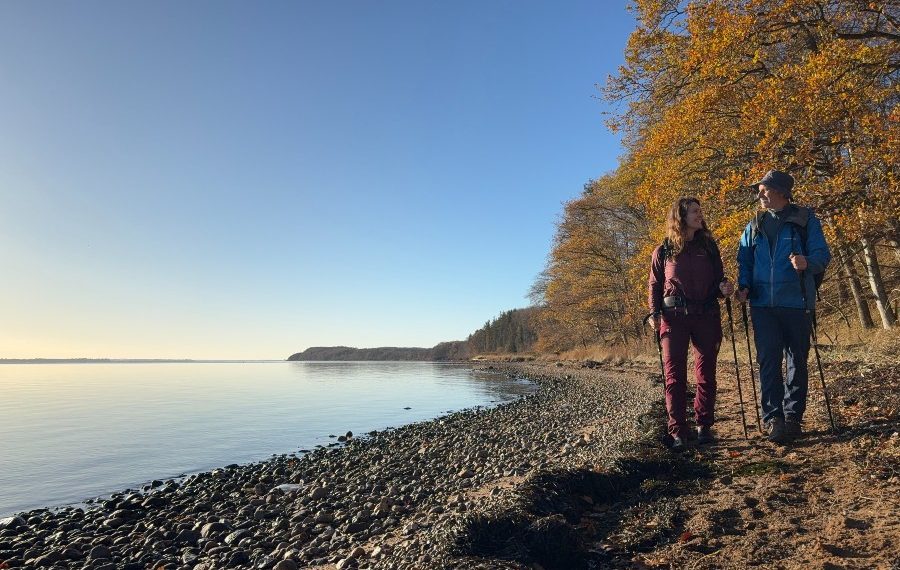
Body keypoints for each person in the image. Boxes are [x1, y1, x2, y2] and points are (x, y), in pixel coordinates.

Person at [736, 170, 831, 444]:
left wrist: (807, 263)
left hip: (797, 301)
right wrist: (744, 287)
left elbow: (822, 254)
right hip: (762, 304)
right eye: (759, 190)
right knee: (768, 360)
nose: (760, 195)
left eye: (764, 190)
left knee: (796, 361)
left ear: (781, 192)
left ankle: (793, 418)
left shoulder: (805, 220)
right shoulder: (755, 223)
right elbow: (745, 261)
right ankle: (774, 418)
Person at [648, 197, 734, 451]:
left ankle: (704, 426)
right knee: (674, 377)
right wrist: (654, 313)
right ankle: (678, 432)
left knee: (706, 373)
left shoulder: (708, 246)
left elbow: (719, 279)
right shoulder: (663, 250)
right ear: (681, 216)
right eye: (694, 211)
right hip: (673, 318)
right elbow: (654, 285)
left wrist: (724, 287)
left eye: (700, 211)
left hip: (706, 314)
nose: (700, 215)